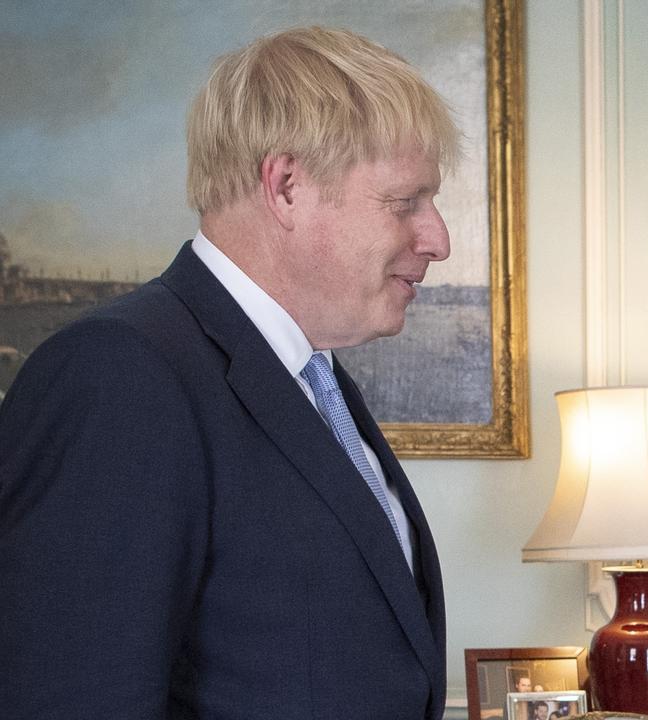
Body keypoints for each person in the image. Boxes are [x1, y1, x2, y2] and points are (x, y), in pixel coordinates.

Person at [0, 26, 458, 719]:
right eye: (405, 202)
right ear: (286, 186)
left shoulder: (314, 377)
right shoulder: (119, 375)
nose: (439, 239)